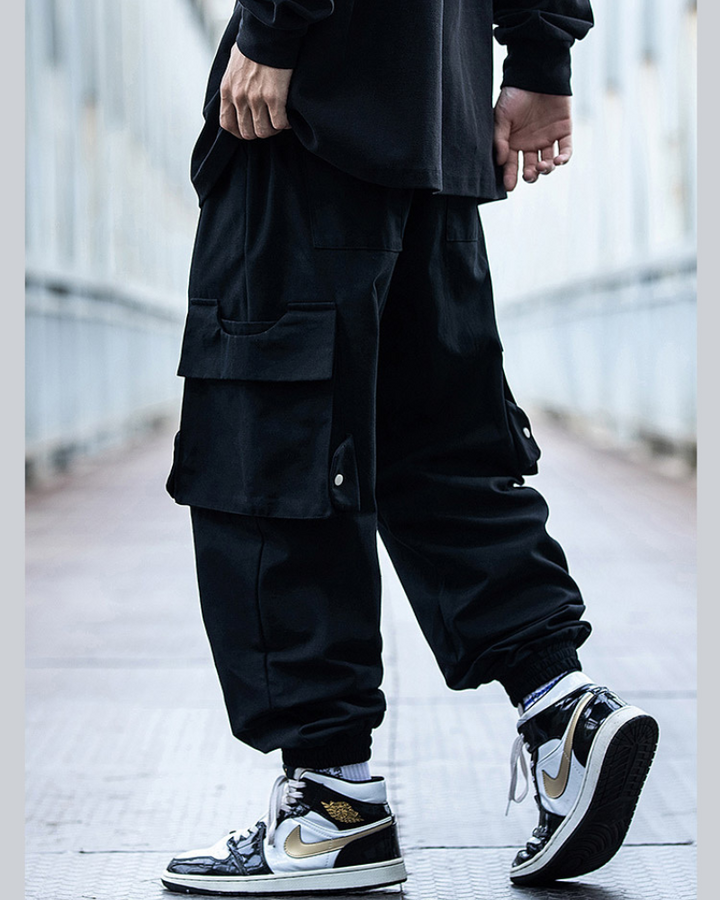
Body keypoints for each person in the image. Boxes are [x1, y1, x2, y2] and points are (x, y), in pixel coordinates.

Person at [161, 1, 659, 894]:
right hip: (439, 123)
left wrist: (273, 26)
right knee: (441, 447)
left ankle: (331, 806)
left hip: (310, 110)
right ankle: (561, 710)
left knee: (274, 455)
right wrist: (540, 54)